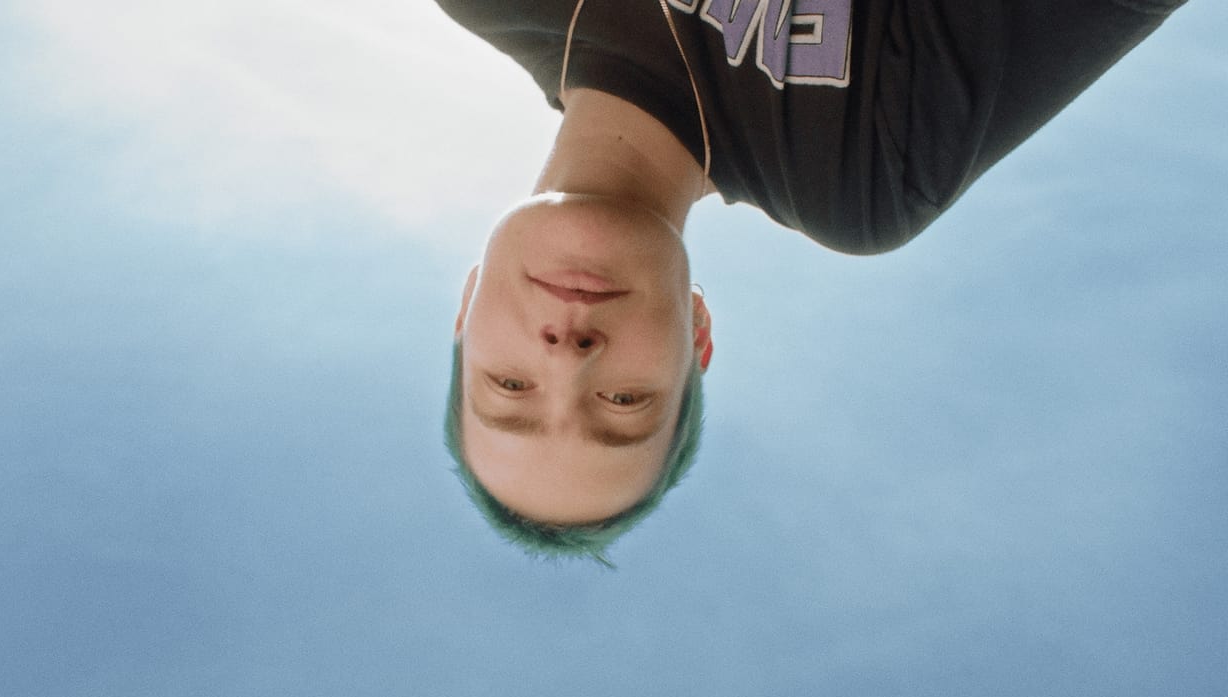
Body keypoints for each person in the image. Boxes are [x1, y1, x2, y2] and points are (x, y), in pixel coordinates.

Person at [439, 0, 1186, 563]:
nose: (568, 359)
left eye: (510, 386)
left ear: (468, 307)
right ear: (697, 339)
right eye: (624, 402)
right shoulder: (863, 169)